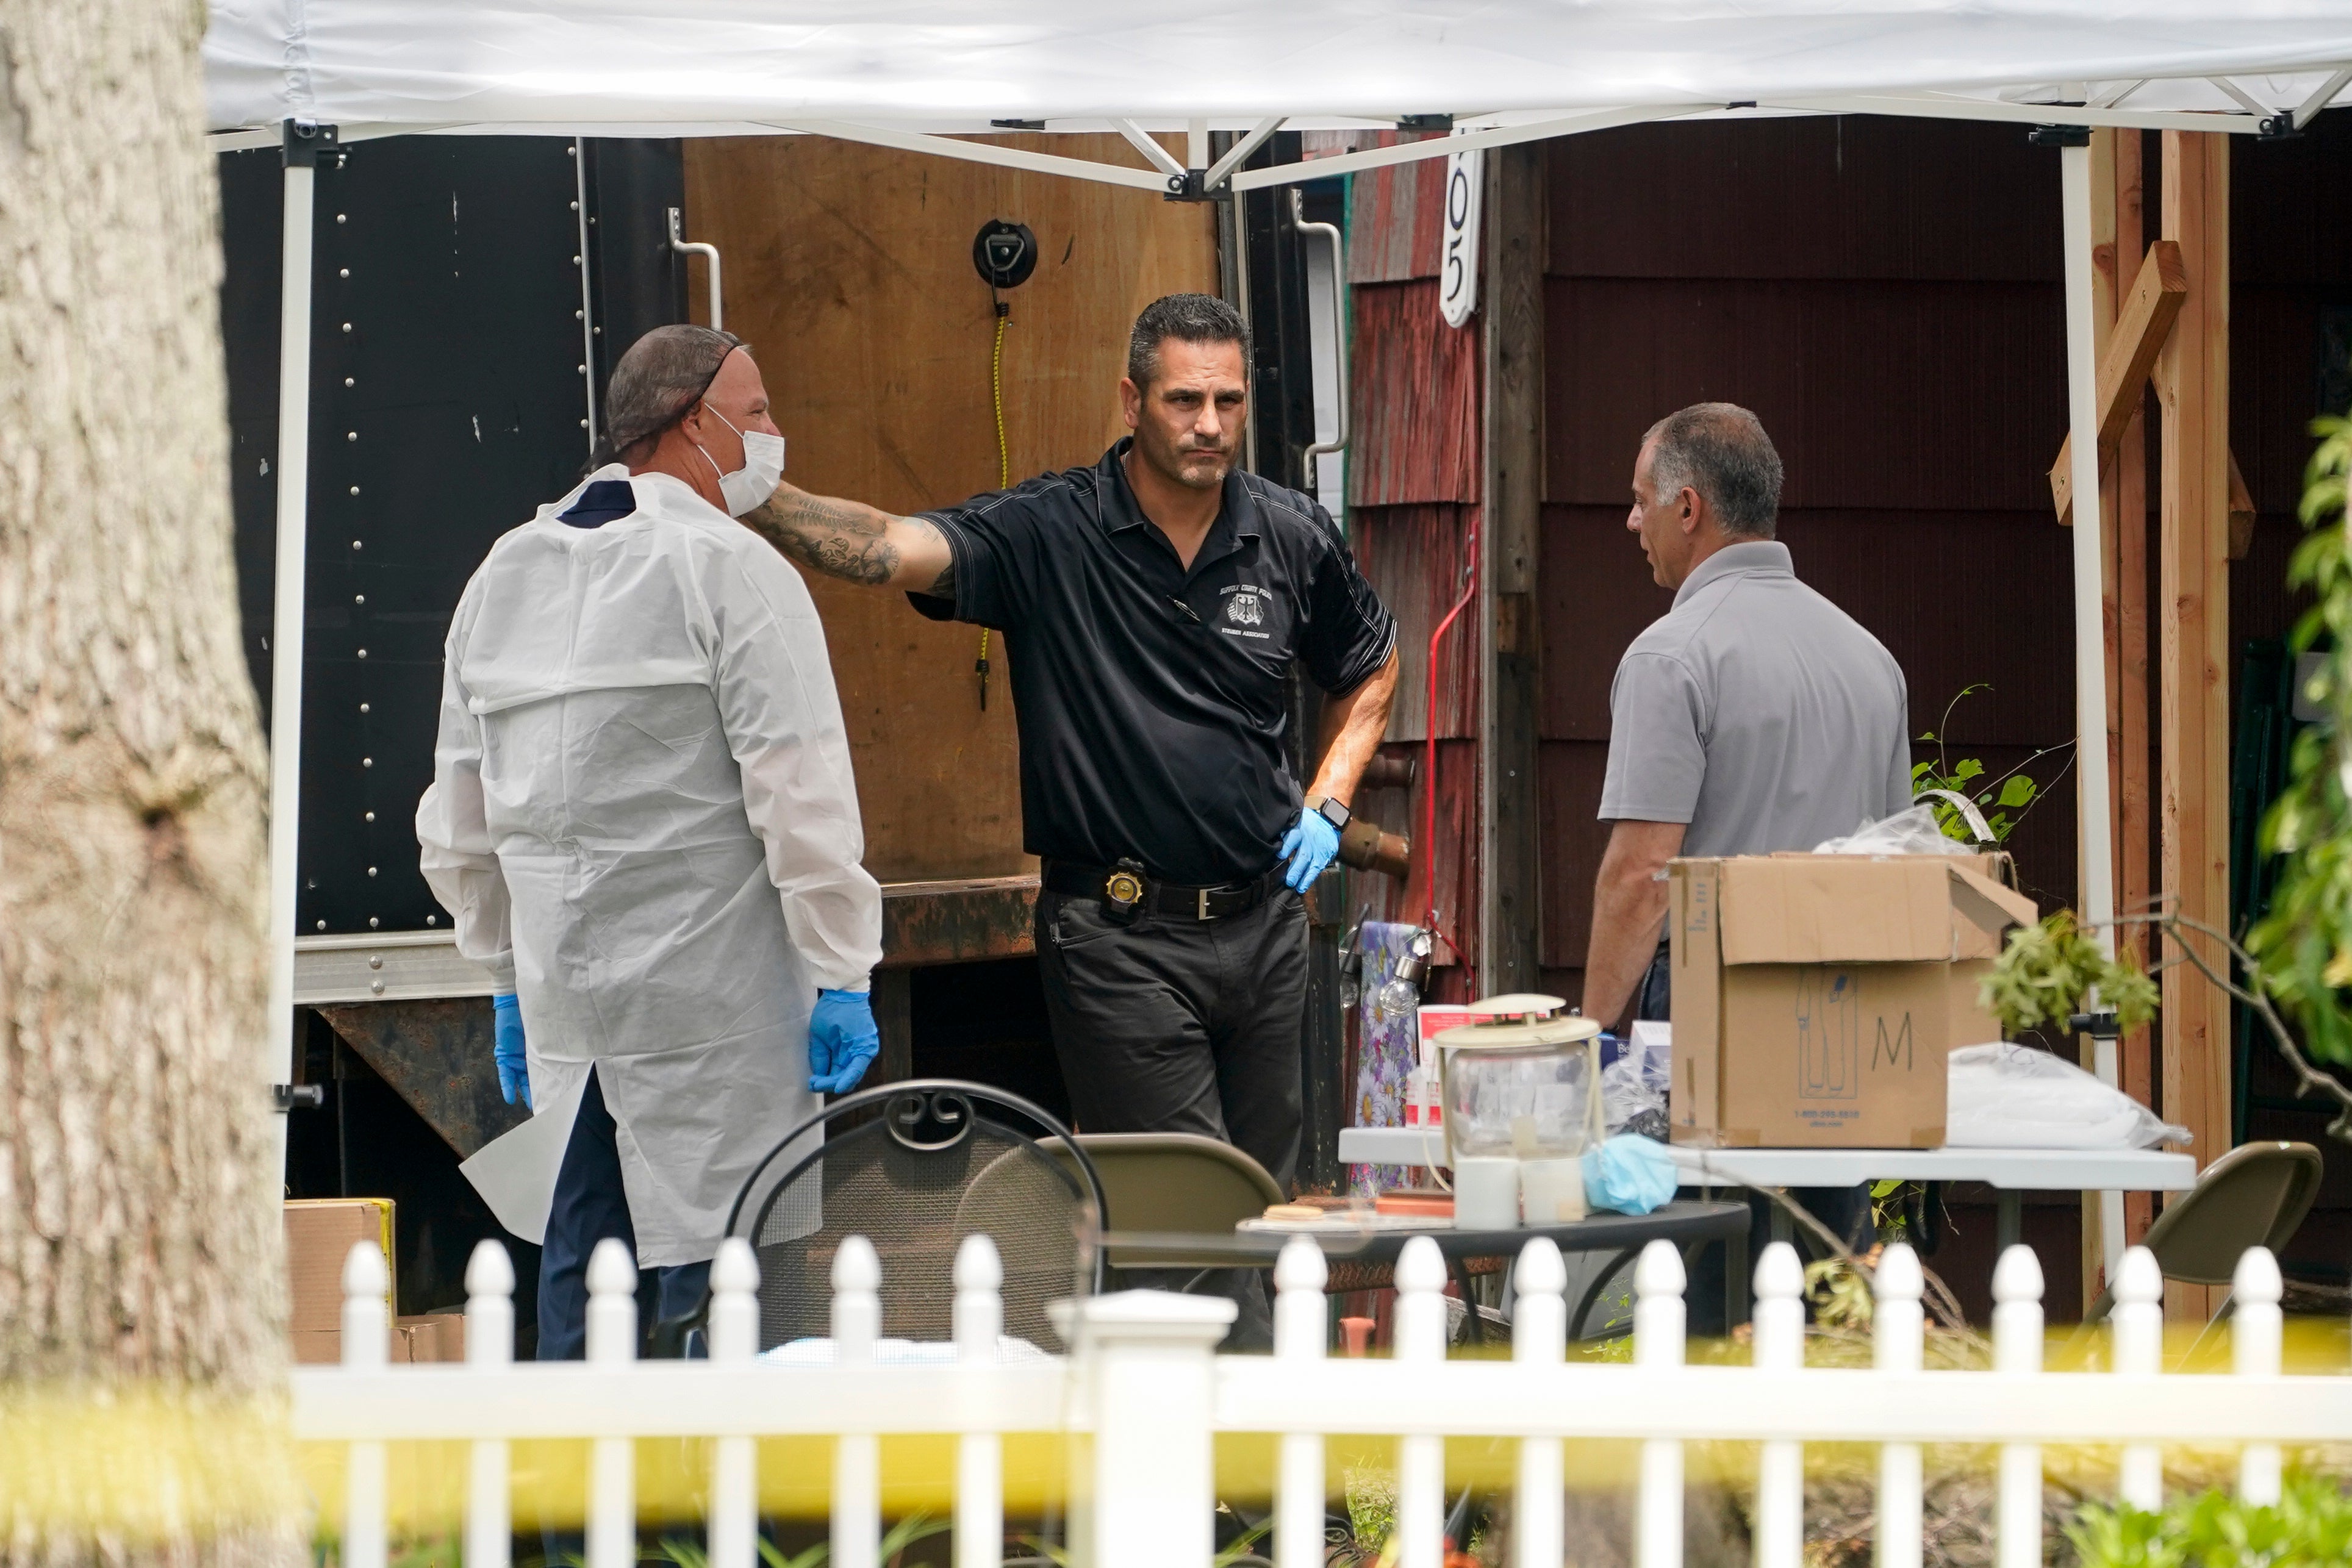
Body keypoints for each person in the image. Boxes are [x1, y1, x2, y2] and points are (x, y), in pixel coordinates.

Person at [733, 293, 1400, 1331]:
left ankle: (1243, 1477)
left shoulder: (1289, 534)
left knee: (1263, 1222)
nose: (1210, 425)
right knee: (1187, 1216)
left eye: (1229, 401)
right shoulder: (1053, 530)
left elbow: (1371, 666)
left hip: (1267, 928)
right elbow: (891, 547)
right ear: (1131, 398)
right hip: (1120, 938)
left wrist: (1332, 794)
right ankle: (1220, 1482)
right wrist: (754, 495)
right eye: (1185, 400)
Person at [418, 324, 884, 1359]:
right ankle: (698, 1524)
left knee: (579, 1297)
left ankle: (569, 1528)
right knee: (713, 1299)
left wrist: (501, 972)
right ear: (693, 423)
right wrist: (842, 967)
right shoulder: (731, 570)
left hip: (570, 1026)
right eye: (756, 413)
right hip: (717, 1023)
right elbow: (799, 795)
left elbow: (461, 815)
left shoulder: (502, 577)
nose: (773, 434)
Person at [1579, 403, 1912, 1300]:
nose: (1631, 522)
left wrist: (1590, 1045)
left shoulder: (1673, 657)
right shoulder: (1872, 662)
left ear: (1689, 508)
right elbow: (1898, 872)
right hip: (1842, 1039)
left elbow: (1642, 878)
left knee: (1703, 1312)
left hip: (1704, 1030)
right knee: (1818, 1303)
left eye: (1641, 500)